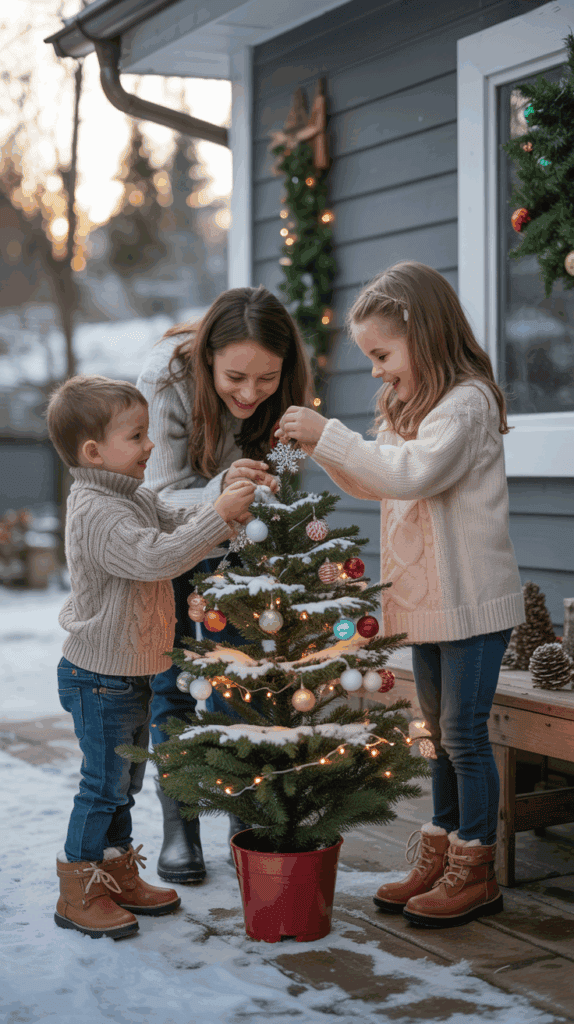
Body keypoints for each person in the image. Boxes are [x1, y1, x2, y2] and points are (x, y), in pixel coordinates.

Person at [276, 261, 525, 929]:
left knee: (464, 736)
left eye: (383, 354)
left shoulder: (467, 403)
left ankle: (476, 868)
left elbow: (412, 474)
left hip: (471, 605)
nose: (378, 370)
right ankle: (441, 849)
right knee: (440, 737)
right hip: (430, 605)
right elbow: (377, 481)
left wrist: (326, 432)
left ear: (423, 332)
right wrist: (325, 448)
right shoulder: (408, 409)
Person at [46, 375, 256, 939]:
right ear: (94, 453)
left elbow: (186, 531)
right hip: (98, 677)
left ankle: (114, 872)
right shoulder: (96, 510)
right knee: (102, 786)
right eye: (136, 436)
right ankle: (78, 890)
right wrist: (218, 514)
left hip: (132, 671)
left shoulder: (133, 495)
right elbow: (157, 558)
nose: (151, 446)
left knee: (126, 783)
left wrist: (224, 507)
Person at [136, 285, 314, 883]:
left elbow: (283, 477)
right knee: (175, 685)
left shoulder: (284, 390)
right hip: (171, 540)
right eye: (235, 376)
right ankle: (180, 824)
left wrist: (271, 486)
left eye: (266, 379)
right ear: (207, 355)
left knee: (247, 677)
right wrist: (220, 495)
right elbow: (154, 499)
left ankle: (251, 820)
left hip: (241, 546)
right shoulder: (166, 378)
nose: (248, 393)